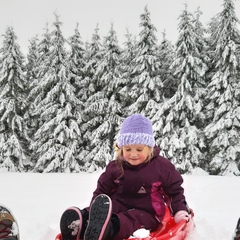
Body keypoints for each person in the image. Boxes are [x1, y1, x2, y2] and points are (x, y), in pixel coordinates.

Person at [59, 114, 195, 240]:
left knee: (130, 219)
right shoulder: (116, 167)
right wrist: (94, 208)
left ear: (149, 148)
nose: (133, 154)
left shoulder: (161, 167)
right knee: (106, 213)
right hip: (117, 205)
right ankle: (80, 224)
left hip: (146, 212)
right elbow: (102, 190)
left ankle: (108, 229)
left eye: (139, 149)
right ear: (121, 149)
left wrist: (180, 211)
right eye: (128, 149)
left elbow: (174, 192)